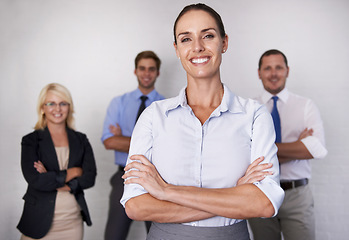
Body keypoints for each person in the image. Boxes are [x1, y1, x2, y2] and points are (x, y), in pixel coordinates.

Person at [120, 4, 284, 240]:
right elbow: (136, 205)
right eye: (186, 39)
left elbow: (264, 204)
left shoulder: (254, 115)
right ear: (177, 49)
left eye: (208, 35)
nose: (197, 47)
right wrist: (235, 195)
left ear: (224, 42)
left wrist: (166, 191)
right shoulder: (153, 117)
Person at [248, 49, 328, 240]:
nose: (273, 73)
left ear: (287, 71)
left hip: (297, 196)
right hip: (260, 193)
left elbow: (317, 149)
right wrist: (298, 146)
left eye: (278, 68)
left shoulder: (306, 106)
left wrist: (265, 150)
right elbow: (245, 154)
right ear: (259, 73)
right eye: (267, 68)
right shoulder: (248, 108)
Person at [17, 83, 97, 240]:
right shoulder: (30, 141)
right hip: (37, 220)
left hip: (71, 222)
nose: (57, 109)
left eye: (63, 103)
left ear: (69, 107)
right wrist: (74, 172)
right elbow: (36, 180)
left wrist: (52, 178)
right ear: (42, 108)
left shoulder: (81, 139)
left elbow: (89, 178)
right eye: (51, 103)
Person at [101, 50, 165, 240]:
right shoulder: (118, 103)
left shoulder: (166, 106)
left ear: (158, 73)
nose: (147, 73)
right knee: (114, 236)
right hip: (124, 175)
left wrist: (124, 139)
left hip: (157, 178)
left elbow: (169, 146)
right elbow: (109, 141)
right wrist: (151, 141)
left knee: (159, 235)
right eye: (142, 68)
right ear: (135, 71)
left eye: (151, 69)